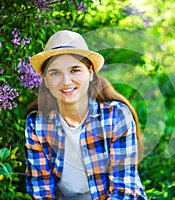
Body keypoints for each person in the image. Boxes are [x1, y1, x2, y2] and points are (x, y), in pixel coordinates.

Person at [25, 30, 147, 200]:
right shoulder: (37, 125)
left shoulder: (116, 116)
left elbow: (123, 192)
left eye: (75, 70)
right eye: (55, 73)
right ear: (45, 80)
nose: (66, 81)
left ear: (90, 73)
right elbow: (41, 192)